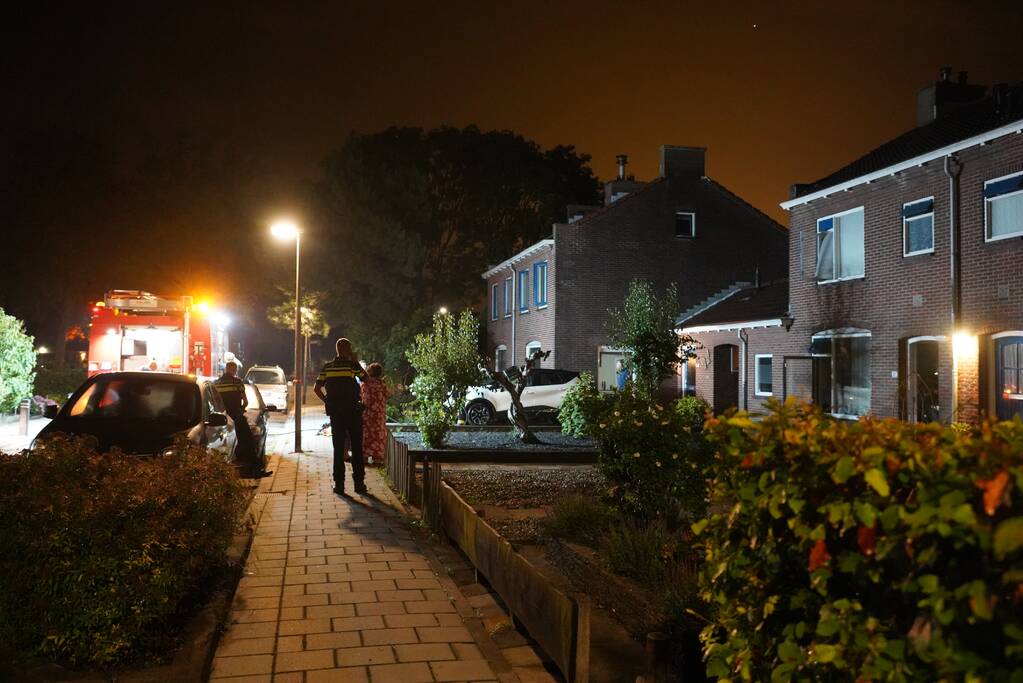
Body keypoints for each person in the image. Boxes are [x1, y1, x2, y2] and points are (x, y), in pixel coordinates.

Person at [314, 338, 367, 495]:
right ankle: (359, 484)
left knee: (338, 449)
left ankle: (339, 485)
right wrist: (355, 360)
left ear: (337, 349)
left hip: (336, 414)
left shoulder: (327, 367)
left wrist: (327, 402)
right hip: (353, 412)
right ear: (348, 349)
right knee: (357, 448)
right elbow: (366, 379)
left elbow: (316, 389)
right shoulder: (352, 366)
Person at [215, 361, 271, 479]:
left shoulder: (217, 383)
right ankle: (256, 471)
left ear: (226, 369)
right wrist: (241, 409)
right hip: (238, 417)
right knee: (248, 444)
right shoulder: (237, 382)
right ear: (234, 370)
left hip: (223, 418)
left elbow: (216, 402)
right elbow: (245, 402)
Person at [360, 363, 390, 466]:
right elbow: (387, 394)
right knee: (378, 434)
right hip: (379, 414)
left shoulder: (365, 384)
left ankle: (365, 456)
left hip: (367, 413)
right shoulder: (382, 384)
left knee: (367, 434)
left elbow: (361, 395)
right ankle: (377, 457)